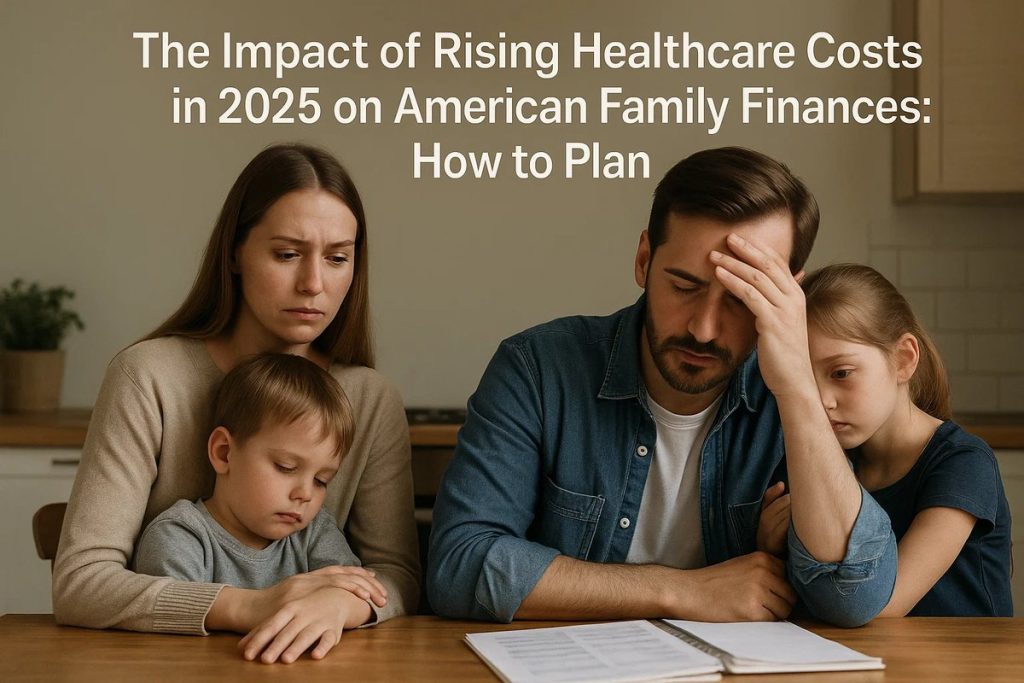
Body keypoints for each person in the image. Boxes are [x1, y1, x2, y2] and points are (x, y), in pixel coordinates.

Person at [427, 147, 897, 628]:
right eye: (684, 286)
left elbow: (853, 596)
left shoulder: (795, 393)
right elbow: (459, 566)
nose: (704, 330)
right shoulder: (537, 370)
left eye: (741, 299)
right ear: (644, 260)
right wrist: (681, 591)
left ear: (787, 297)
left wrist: (797, 387)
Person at [53, 143, 419, 664]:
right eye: (287, 254)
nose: (314, 283)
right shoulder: (148, 376)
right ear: (234, 254)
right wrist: (250, 606)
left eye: (338, 258)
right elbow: (81, 583)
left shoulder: (370, 398)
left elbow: (399, 576)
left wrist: (341, 604)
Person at [790, 263, 1011, 616]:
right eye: (806, 379)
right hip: (873, 664)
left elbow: (883, 604)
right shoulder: (834, 464)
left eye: (841, 373)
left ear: (904, 360)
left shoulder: (964, 463)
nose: (821, 400)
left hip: (964, 666)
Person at [134, 353, 364, 601]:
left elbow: (357, 594)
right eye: (285, 467)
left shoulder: (315, 532)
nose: (305, 494)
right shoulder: (180, 536)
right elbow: (173, 616)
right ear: (224, 453)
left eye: (321, 481)